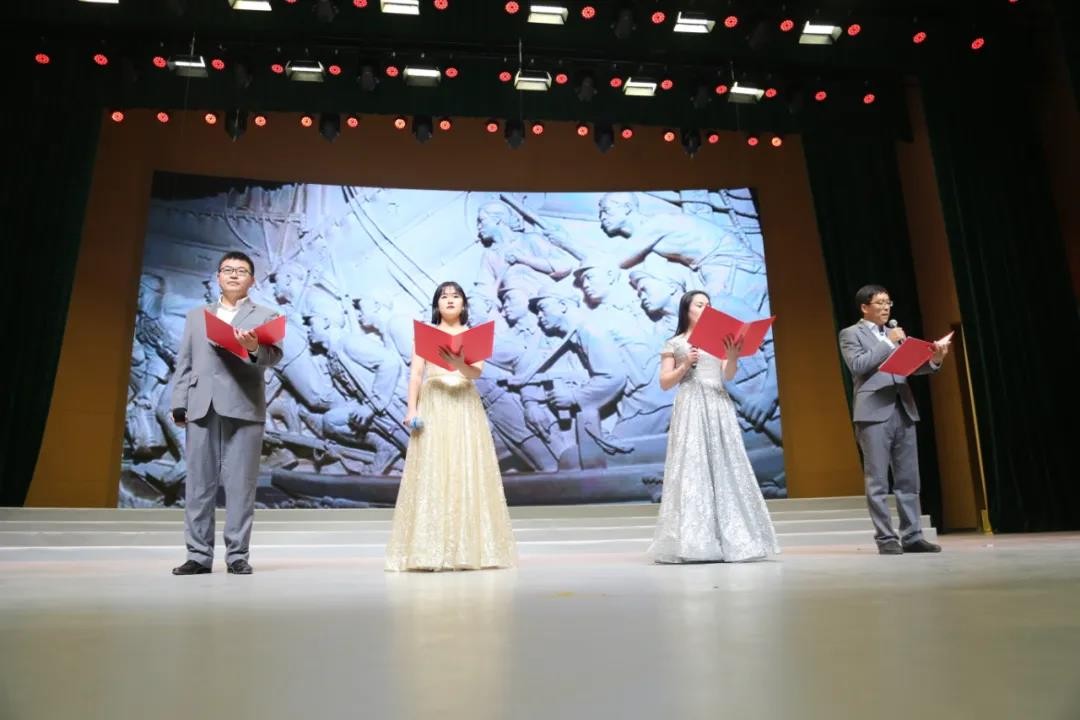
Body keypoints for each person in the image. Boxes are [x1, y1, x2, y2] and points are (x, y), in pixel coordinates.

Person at [385, 281, 517, 571]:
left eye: (455, 296)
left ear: (463, 304)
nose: (450, 300)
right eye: (444, 297)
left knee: (465, 467)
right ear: (437, 304)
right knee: (433, 468)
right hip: (434, 402)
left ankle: (468, 549)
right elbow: (416, 375)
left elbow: (475, 374)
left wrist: (459, 363)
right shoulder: (425, 336)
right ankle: (427, 551)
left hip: (463, 403)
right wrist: (411, 409)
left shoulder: (474, 336)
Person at [169, 251, 283, 575]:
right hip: (201, 405)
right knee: (198, 486)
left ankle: (237, 556)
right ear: (218, 276)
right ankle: (198, 555)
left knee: (241, 486)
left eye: (241, 271)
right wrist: (179, 402)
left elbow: (273, 357)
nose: (234, 275)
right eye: (228, 270)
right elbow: (185, 362)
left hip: (244, 406)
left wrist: (252, 347)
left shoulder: (267, 315)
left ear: (252, 280)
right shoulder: (197, 316)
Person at [648, 290, 780, 563]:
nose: (705, 308)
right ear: (686, 310)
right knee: (692, 465)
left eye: (708, 305)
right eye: (699, 305)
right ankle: (694, 542)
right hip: (691, 404)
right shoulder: (674, 343)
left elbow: (727, 375)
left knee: (725, 463)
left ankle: (732, 539)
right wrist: (685, 364)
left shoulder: (718, 338)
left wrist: (732, 356)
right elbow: (665, 382)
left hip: (718, 403)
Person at [838, 285, 948, 555]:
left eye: (888, 302)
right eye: (880, 303)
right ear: (864, 307)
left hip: (903, 408)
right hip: (873, 412)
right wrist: (888, 342)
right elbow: (858, 365)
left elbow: (909, 367)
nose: (886, 307)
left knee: (909, 479)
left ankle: (912, 536)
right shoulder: (851, 334)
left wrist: (934, 360)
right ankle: (886, 538)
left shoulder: (894, 333)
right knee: (877, 480)